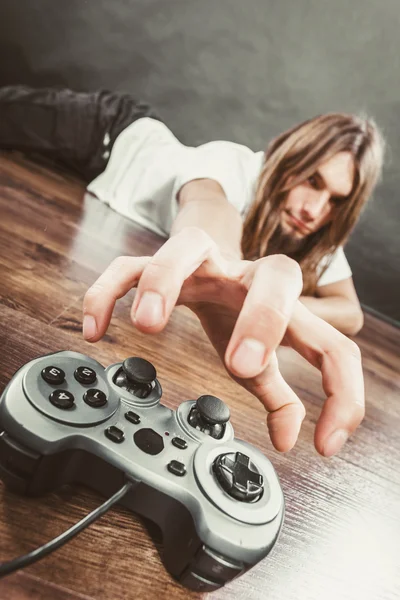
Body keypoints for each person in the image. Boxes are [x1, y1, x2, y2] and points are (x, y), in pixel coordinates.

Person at [0, 85, 385, 458]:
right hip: (109, 134)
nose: (314, 210)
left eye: (336, 200)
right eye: (312, 181)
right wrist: (230, 271)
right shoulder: (233, 165)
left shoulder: (317, 237)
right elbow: (206, 207)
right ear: (290, 159)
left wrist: (275, 309)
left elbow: (350, 312)